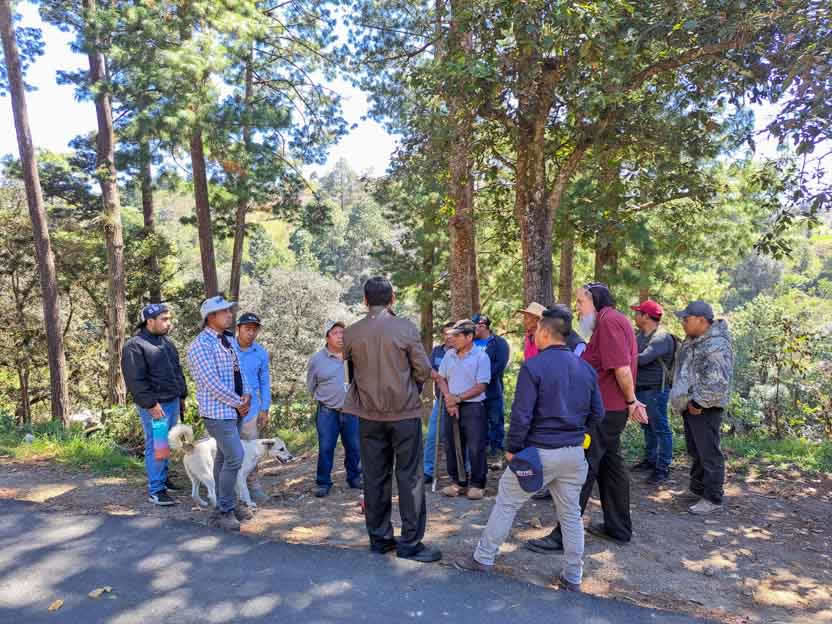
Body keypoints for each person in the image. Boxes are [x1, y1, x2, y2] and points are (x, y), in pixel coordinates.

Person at [454, 306, 604, 593]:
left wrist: (513, 449)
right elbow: (598, 413)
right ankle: (573, 576)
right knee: (571, 514)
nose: (533, 334)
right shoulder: (585, 368)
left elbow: (521, 414)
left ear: (545, 332)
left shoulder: (534, 367)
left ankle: (483, 558)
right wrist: (578, 433)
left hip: (539, 452)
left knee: (507, 503)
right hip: (574, 453)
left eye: (536, 330)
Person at [526, 283, 646, 554]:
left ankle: (563, 536)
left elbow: (622, 368)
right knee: (611, 468)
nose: (579, 308)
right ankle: (618, 528)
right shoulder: (608, 322)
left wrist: (631, 401)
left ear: (594, 300)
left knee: (581, 468)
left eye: (581, 302)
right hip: (609, 408)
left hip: (605, 411)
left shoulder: (610, 321)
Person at [343, 277, 441, 562]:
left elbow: (350, 371)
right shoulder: (405, 328)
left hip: (368, 415)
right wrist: (412, 389)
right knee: (410, 477)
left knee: (374, 477)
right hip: (404, 413)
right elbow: (422, 369)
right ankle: (410, 543)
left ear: (365, 300)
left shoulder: (352, 332)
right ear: (392, 299)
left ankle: (380, 539)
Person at [187, 296, 252, 531]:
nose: (230, 314)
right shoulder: (200, 345)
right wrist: (237, 402)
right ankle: (225, 510)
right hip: (218, 412)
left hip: (234, 409)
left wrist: (247, 394)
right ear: (210, 317)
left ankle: (225, 505)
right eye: (224, 311)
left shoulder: (228, 340)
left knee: (224, 458)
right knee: (235, 457)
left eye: (229, 310)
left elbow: (239, 371)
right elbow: (211, 382)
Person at [670, 301, 734, 515]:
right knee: (696, 450)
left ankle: (712, 497)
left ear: (701, 320)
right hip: (691, 404)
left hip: (705, 407)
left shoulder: (716, 344)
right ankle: (698, 489)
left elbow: (717, 380)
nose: (683, 322)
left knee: (708, 453)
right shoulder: (694, 340)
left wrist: (698, 403)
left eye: (686, 319)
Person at [121, 303, 188, 506]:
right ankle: (156, 490)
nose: (169, 323)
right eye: (164, 319)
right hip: (156, 406)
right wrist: (150, 404)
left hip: (172, 401)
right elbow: (135, 380)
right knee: (158, 444)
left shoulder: (166, 343)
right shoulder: (135, 346)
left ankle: (163, 479)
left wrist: (182, 396)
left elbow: (177, 371)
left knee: (165, 444)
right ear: (150, 321)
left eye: (169, 319)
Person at [434, 319, 491, 500]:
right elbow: (441, 378)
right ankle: (458, 482)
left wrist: (458, 399)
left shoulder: (481, 356)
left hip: (473, 406)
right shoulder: (449, 355)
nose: (452, 339)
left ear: (469, 337)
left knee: (475, 446)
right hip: (451, 405)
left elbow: (481, 386)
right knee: (452, 445)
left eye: (457, 336)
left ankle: (477, 484)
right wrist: (449, 399)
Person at [307, 320, 362, 497]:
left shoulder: (353, 357)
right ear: (327, 337)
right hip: (327, 411)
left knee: (354, 446)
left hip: (352, 411)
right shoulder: (317, 360)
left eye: (342, 332)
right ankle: (323, 482)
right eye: (335, 333)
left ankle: (354, 478)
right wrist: (326, 399)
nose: (340, 336)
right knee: (326, 447)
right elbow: (311, 385)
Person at [630, 300, 676, 485]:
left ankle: (663, 467)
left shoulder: (661, 338)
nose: (635, 316)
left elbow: (642, 359)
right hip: (642, 389)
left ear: (646, 317)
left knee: (660, 428)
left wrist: (619, 357)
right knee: (647, 426)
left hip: (656, 391)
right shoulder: (640, 335)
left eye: (638, 313)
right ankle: (651, 460)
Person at [233, 312, 272, 501]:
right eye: (247, 329)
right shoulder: (227, 348)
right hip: (227, 408)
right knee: (226, 450)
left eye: (254, 330)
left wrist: (265, 408)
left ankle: (253, 487)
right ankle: (228, 489)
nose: (251, 333)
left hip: (251, 411)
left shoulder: (260, 353)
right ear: (238, 329)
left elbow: (265, 382)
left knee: (252, 451)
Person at [472, 314, 511, 456]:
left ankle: (497, 451)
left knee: (495, 421)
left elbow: (499, 365)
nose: (472, 329)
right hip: (472, 392)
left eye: (475, 326)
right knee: (478, 423)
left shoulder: (499, 343)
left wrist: (481, 378)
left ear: (483, 326)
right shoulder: (470, 342)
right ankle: (481, 451)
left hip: (493, 391)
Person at [424, 322, 455, 484]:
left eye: (451, 334)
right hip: (441, 400)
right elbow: (428, 369)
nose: (448, 337)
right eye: (446, 334)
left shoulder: (460, 351)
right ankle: (428, 471)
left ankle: (465, 470)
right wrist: (437, 376)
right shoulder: (437, 350)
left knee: (460, 437)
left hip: (460, 400)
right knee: (432, 436)